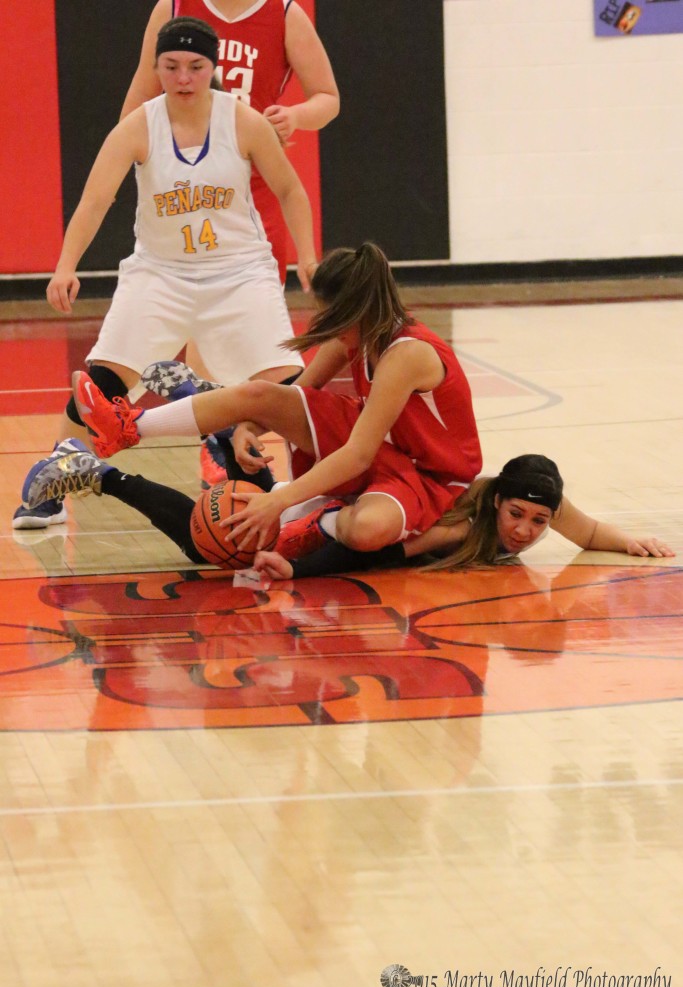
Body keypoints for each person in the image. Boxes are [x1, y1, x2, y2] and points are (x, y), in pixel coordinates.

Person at [13, 16, 316, 531]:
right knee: (99, 387)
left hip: (238, 273)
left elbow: (289, 188)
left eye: (195, 66)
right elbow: (95, 200)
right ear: (155, 68)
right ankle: (54, 483)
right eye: (171, 66)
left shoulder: (242, 121)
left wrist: (308, 257)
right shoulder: (138, 126)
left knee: (298, 393)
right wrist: (66, 264)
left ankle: (318, 489)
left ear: (212, 67)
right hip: (160, 274)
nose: (183, 77)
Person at [41, 243, 485, 560]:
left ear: (356, 310)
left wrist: (280, 500)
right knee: (259, 395)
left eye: (330, 315)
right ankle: (129, 427)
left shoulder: (405, 354)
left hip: (421, 478)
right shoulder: (357, 335)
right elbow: (293, 397)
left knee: (250, 537)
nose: (324, 324)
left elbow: (358, 453)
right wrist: (250, 428)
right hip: (384, 455)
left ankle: (310, 511)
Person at [122, 1, 340, 490]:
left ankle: (253, 442)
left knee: (259, 335)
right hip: (189, 184)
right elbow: (135, 102)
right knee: (200, 319)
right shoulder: (175, 7)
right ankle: (215, 446)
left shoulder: (283, 13)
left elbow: (328, 97)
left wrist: (296, 114)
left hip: (253, 182)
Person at [19, 450, 675, 577]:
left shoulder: (532, 500)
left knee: (233, 527)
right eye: (519, 517)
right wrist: (294, 573)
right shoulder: (457, 521)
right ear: (495, 500)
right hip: (343, 522)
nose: (526, 533)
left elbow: (584, 531)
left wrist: (630, 542)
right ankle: (98, 472)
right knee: (213, 545)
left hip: (361, 501)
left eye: (536, 522)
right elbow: (374, 553)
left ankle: (218, 430)